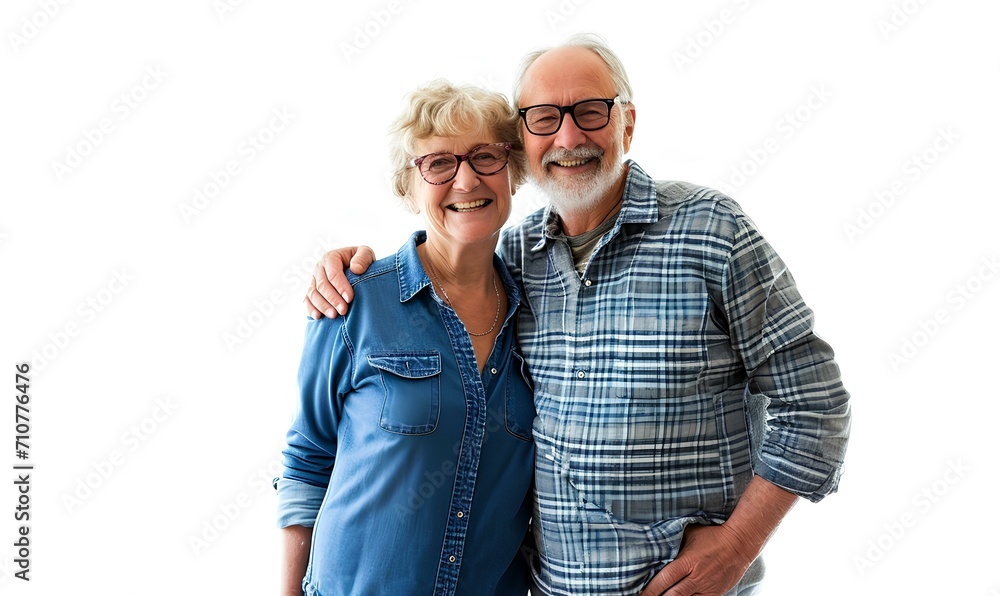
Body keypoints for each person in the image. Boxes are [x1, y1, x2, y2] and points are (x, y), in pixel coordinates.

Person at [305, 34, 851, 596]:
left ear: (627, 124)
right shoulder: (512, 260)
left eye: (591, 112)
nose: (569, 137)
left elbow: (814, 406)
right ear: (523, 138)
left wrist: (737, 546)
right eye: (544, 118)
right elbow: (440, 254)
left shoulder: (710, 232)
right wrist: (349, 267)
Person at [275, 79, 537, 596]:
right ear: (407, 186)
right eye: (438, 163)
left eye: (485, 156)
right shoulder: (354, 302)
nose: (466, 181)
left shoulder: (542, 313)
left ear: (512, 172)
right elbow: (307, 458)